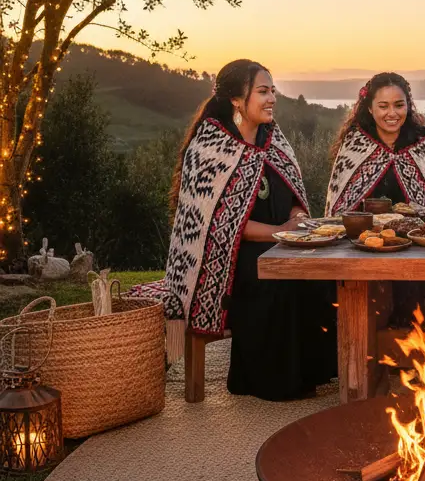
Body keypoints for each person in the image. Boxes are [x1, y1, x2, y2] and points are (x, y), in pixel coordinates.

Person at [134, 60, 337, 401]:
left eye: (272, 90)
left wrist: (298, 216)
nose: (271, 98)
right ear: (236, 99)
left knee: (321, 274)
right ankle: (270, 381)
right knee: (274, 278)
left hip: (281, 241)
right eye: (262, 91)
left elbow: (292, 193)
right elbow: (219, 223)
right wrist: (280, 233)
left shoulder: (273, 138)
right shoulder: (210, 145)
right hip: (222, 260)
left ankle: (315, 371)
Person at [326, 72, 425, 326]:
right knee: (367, 312)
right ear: (370, 109)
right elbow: (340, 207)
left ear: (408, 105)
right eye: (383, 106)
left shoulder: (423, 143)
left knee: (416, 314)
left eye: (398, 105)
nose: (391, 113)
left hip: (417, 251)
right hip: (363, 249)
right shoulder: (355, 144)